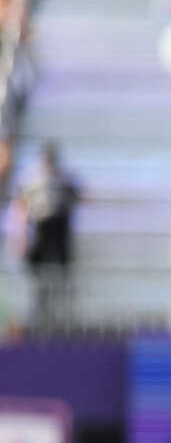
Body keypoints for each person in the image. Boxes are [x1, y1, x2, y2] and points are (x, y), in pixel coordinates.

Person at [12, 141, 81, 330]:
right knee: (38, 272)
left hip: (59, 231)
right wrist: (21, 236)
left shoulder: (65, 178)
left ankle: (60, 310)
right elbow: (22, 206)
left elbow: (78, 197)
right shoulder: (32, 179)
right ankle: (39, 308)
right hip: (41, 230)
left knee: (59, 271)